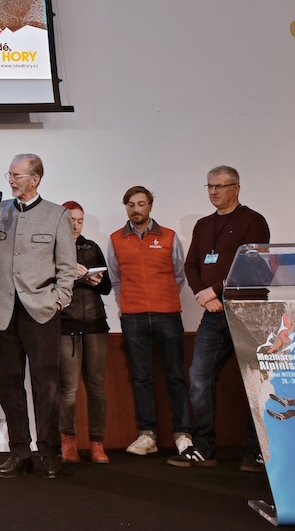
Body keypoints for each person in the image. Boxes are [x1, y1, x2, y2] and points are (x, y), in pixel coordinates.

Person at [0, 154, 78, 478]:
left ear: (35, 179)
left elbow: (68, 266)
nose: (11, 180)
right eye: (10, 175)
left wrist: (59, 300)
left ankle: (49, 453)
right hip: (3, 311)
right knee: (8, 384)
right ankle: (20, 452)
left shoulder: (57, 215)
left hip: (40, 310)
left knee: (46, 386)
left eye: (17, 175)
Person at [169, 167, 270, 471]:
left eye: (220, 186)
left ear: (236, 188)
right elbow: (191, 265)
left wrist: (213, 290)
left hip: (248, 313)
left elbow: (253, 269)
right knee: (199, 376)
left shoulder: (253, 221)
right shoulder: (203, 225)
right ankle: (204, 447)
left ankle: (256, 450)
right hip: (213, 314)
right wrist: (203, 294)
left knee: (256, 382)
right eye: (210, 186)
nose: (214, 191)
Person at [105, 186, 191, 458]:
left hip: (167, 314)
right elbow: (115, 278)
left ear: (150, 206)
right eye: (131, 204)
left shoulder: (169, 236)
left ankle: (183, 434)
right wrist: (125, 304)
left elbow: (179, 274)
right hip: (133, 316)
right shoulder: (116, 239)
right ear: (126, 207)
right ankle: (147, 434)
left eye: (141, 204)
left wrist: (162, 297)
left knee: (175, 375)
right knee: (141, 377)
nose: (136, 209)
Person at [56, 201, 112, 465]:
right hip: (65, 324)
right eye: (71, 220)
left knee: (96, 386)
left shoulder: (91, 247)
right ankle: (68, 443)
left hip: (95, 323)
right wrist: (70, 275)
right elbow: (43, 285)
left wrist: (95, 280)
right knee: (68, 388)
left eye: (80, 220)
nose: (76, 225)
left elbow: (107, 287)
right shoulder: (51, 247)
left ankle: (97, 444)